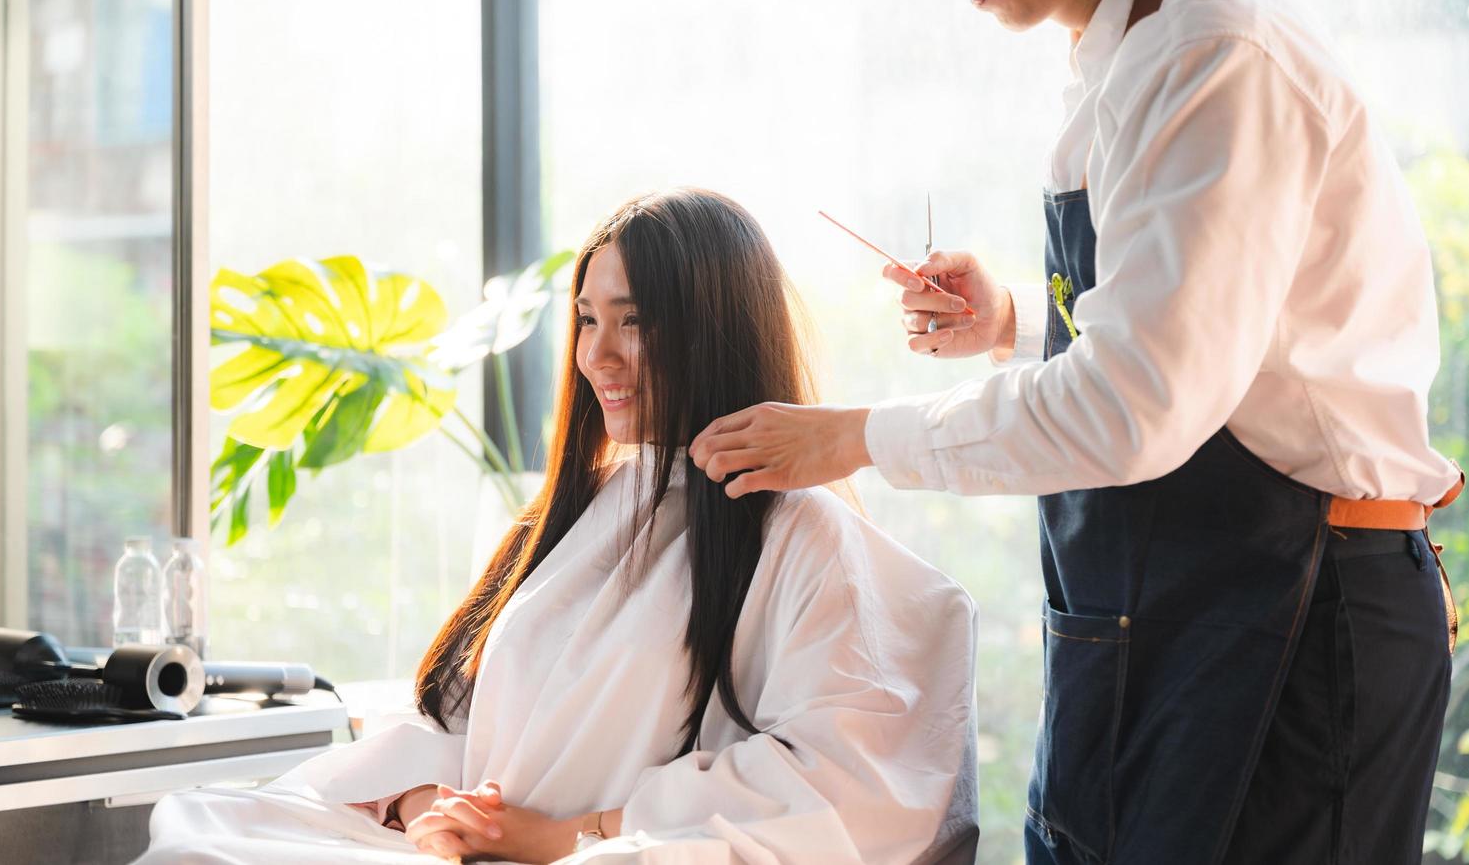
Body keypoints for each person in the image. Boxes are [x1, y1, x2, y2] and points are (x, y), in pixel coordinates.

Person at [689, 0, 1464, 863]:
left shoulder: (1215, 51)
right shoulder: (1126, 47)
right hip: (1171, 608)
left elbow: (1135, 403)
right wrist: (1016, 318)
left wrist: (852, 437)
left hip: (1296, 619)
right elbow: (1201, 329)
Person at [136, 188, 980, 865]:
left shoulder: (806, 540)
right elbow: (449, 715)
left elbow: (850, 793)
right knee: (202, 830)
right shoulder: (575, 517)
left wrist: (575, 834)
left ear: (712, 329)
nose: (598, 354)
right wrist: (439, 809)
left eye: (635, 321)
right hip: (464, 847)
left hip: (602, 851)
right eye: (586, 318)